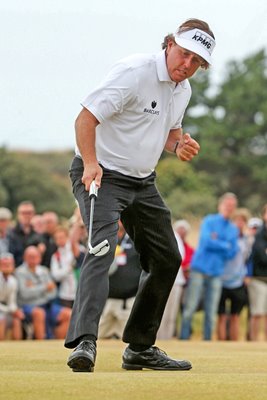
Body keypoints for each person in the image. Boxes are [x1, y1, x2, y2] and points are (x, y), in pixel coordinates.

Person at [65, 18, 216, 373]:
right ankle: (85, 342)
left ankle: (140, 348)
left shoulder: (183, 90)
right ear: (169, 44)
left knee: (166, 258)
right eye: (184, 55)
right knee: (102, 249)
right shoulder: (134, 72)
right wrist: (89, 163)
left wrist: (178, 145)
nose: (187, 65)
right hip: (100, 172)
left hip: (142, 182)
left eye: (196, 62)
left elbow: (168, 131)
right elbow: (85, 119)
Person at [180, 193, 239, 340]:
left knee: (211, 311)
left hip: (216, 272)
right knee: (190, 307)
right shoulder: (209, 221)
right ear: (220, 205)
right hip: (199, 269)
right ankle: (184, 338)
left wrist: (218, 242)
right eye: (227, 205)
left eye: (232, 206)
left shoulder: (233, 229)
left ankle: (207, 342)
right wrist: (225, 244)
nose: (229, 208)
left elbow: (233, 252)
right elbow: (206, 242)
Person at [16, 246, 71, 339]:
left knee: (69, 314)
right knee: (39, 313)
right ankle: (41, 343)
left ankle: (55, 344)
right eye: (30, 256)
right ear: (24, 257)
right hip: (28, 306)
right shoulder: (19, 272)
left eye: (35, 256)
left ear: (40, 258)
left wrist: (34, 288)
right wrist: (45, 287)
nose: (33, 259)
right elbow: (25, 294)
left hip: (47, 305)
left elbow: (53, 292)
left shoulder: (44, 271)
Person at [98, 220, 141, 339]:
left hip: (128, 301)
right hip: (108, 299)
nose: (120, 221)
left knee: (130, 340)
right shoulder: (105, 239)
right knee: (97, 337)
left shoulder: (136, 239)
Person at [217, 208, 251, 341]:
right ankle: (220, 343)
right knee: (221, 316)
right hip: (221, 279)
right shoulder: (224, 237)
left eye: (243, 221)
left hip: (238, 281)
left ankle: (234, 343)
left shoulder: (247, 240)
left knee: (235, 316)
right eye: (237, 220)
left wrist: (246, 274)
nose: (240, 223)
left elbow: (248, 260)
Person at [50, 226, 85, 308]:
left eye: (62, 237)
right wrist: (69, 268)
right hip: (65, 295)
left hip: (80, 291)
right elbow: (55, 275)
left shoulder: (79, 249)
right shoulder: (55, 256)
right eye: (57, 238)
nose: (60, 240)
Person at [247, 204, 267, 340]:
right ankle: (253, 342)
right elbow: (261, 256)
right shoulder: (259, 234)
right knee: (257, 313)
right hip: (258, 278)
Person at [9, 201, 44, 267]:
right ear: (18, 215)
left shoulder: (38, 235)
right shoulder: (10, 234)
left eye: (29, 213)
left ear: (33, 214)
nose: (26, 216)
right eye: (24, 213)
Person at [0, 253, 24, 340]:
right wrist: (10, 310)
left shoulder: (13, 281)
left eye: (9, 265)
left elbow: (12, 302)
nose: (6, 267)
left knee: (17, 320)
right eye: (4, 264)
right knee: (1, 319)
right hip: (2, 312)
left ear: (13, 266)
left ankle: (17, 348)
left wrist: (15, 311)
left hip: (5, 311)